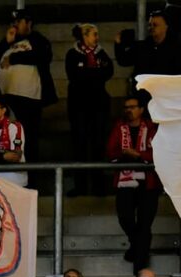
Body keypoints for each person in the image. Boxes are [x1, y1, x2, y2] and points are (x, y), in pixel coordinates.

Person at [0, 8, 56, 160]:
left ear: (28, 23)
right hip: (6, 98)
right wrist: (6, 42)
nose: (15, 25)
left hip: (28, 99)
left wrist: (13, 58)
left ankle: (30, 177)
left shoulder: (38, 40)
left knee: (28, 138)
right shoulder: (9, 42)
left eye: (18, 21)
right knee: (5, 137)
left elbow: (43, 55)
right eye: (13, 22)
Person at [106, 95, 161, 272]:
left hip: (149, 184)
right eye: (125, 107)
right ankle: (136, 247)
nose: (128, 110)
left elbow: (160, 153)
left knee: (145, 225)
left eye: (132, 107)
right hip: (125, 183)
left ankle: (139, 267)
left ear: (141, 109)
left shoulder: (152, 128)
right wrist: (125, 155)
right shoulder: (119, 127)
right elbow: (110, 151)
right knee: (125, 219)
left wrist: (138, 155)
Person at [65, 23, 115, 195]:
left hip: (99, 106)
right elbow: (74, 76)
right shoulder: (72, 54)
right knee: (79, 146)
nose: (97, 37)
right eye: (94, 34)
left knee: (98, 145)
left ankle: (98, 186)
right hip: (79, 107)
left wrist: (87, 74)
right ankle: (80, 186)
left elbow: (109, 71)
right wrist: (95, 74)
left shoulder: (101, 53)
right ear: (84, 36)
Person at [115, 10, 181, 90]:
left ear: (166, 26)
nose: (151, 28)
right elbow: (124, 60)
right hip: (144, 93)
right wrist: (118, 43)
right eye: (150, 25)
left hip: (166, 91)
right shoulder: (143, 46)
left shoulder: (175, 48)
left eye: (155, 25)